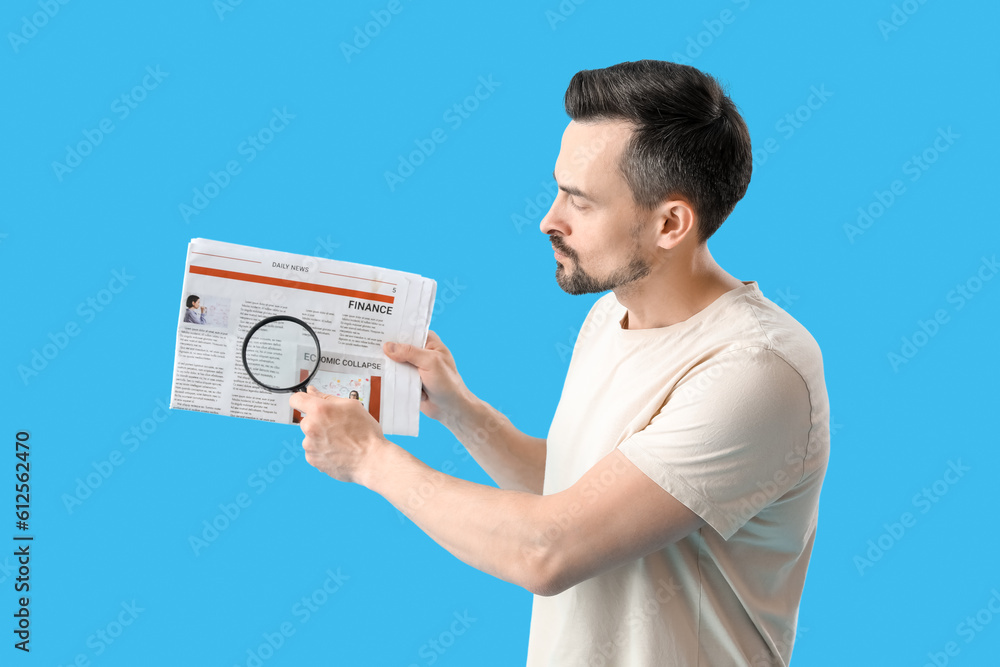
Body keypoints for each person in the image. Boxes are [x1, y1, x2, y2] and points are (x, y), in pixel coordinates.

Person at [289, 60, 829, 666]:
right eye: (557, 189)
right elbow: (577, 494)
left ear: (670, 223)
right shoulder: (608, 315)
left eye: (580, 202)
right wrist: (461, 412)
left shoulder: (758, 369)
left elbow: (549, 548)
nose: (549, 219)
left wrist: (369, 458)